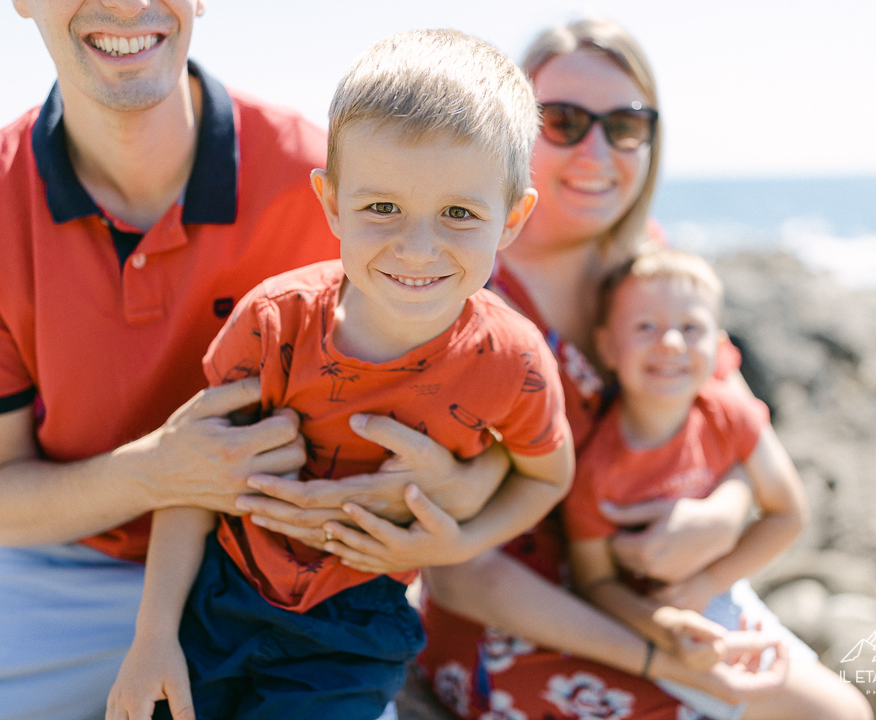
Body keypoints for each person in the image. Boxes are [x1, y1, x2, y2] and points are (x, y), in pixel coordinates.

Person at [0, 3, 506, 719]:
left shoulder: (331, 184)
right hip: (78, 567)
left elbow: (489, 397)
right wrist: (159, 471)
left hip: (303, 580)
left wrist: (458, 493)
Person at [238, 18, 785, 720]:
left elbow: (736, 427)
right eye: (562, 120)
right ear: (514, 129)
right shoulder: (451, 294)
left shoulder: (647, 269)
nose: (596, 150)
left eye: (625, 124)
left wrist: (720, 513)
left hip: (659, 599)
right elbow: (463, 571)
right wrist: (657, 656)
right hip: (521, 629)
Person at [104, 29, 574, 720]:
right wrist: (152, 638)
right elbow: (190, 478)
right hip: (217, 595)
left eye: (459, 214)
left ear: (512, 217)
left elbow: (547, 474)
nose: (417, 248)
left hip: (356, 628)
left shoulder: (514, 360)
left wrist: (461, 541)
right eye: (381, 208)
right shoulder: (274, 323)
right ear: (329, 201)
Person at [565, 248, 871, 720]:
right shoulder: (596, 466)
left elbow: (788, 514)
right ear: (607, 347)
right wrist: (667, 622)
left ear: (719, 345)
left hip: (723, 592)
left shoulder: (728, 413)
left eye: (691, 328)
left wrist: (709, 582)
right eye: (645, 326)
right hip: (655, 627)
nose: (670, 342)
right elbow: (596, 582)